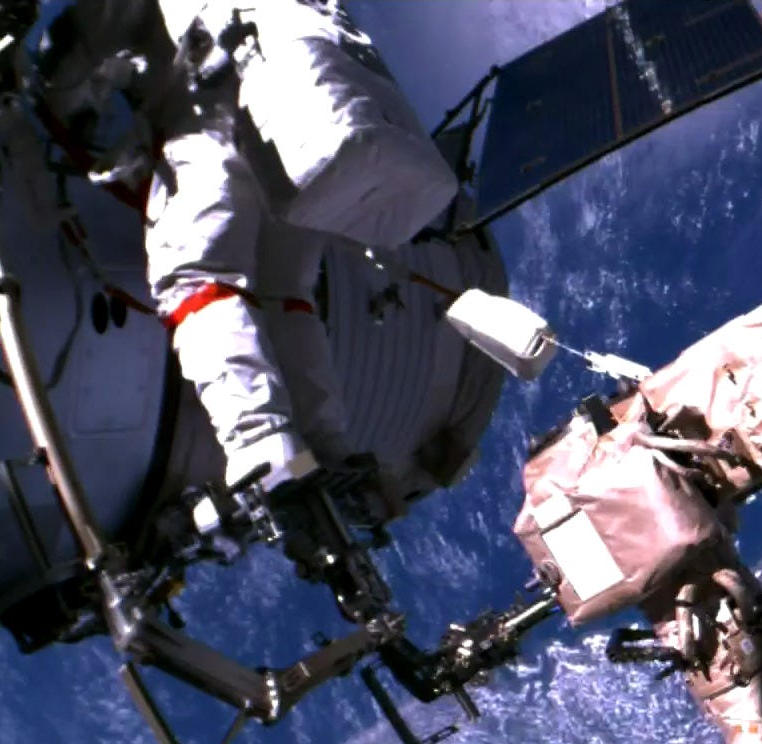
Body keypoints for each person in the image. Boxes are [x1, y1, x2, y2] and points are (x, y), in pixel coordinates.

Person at [31, 0, 459, 495]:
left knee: (196, 278)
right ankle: (325, 446)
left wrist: (67, 108)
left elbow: (74, 51)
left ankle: (262, 442)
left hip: (216, 125)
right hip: (296, 130)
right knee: (285, 292)